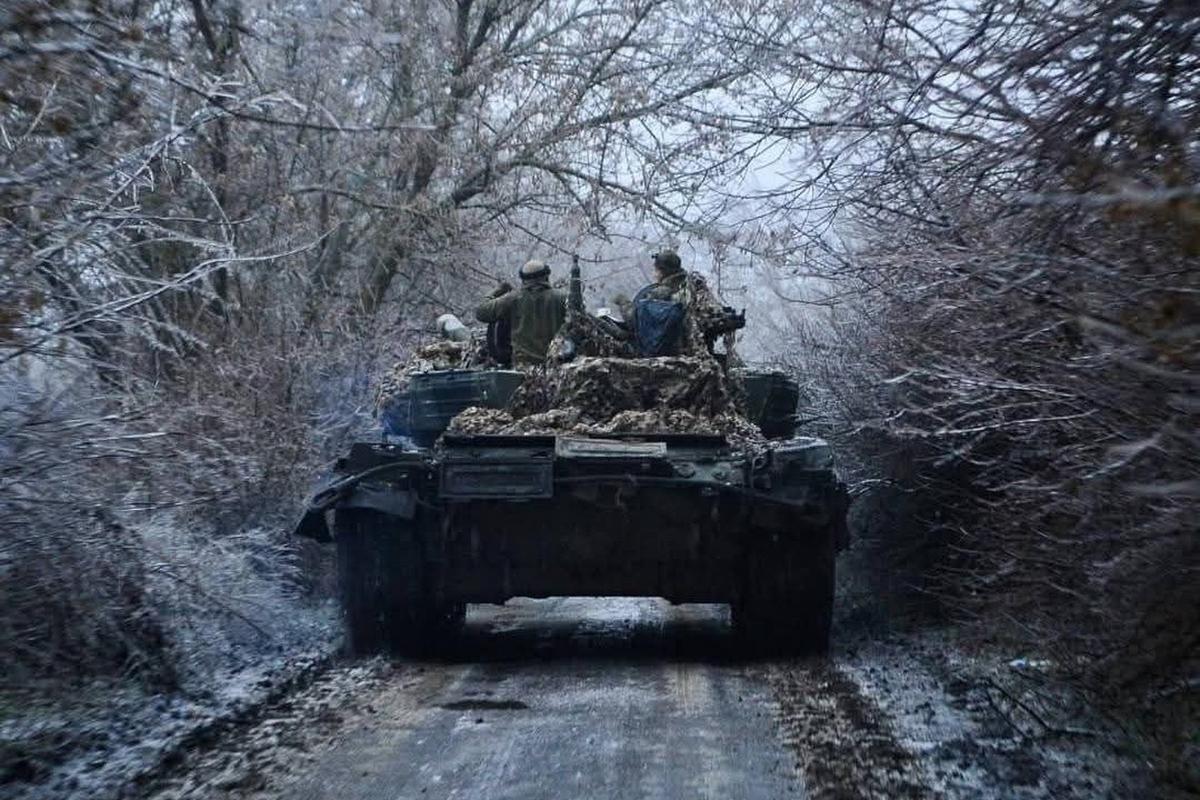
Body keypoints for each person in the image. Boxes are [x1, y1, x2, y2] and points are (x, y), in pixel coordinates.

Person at [474, 259, 567, 368]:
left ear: (524, 279)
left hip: (522, 367)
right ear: (546, 276)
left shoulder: (514, 298)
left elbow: (482, 312)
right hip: (557, 365)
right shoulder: (562, 298)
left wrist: (498, 290)